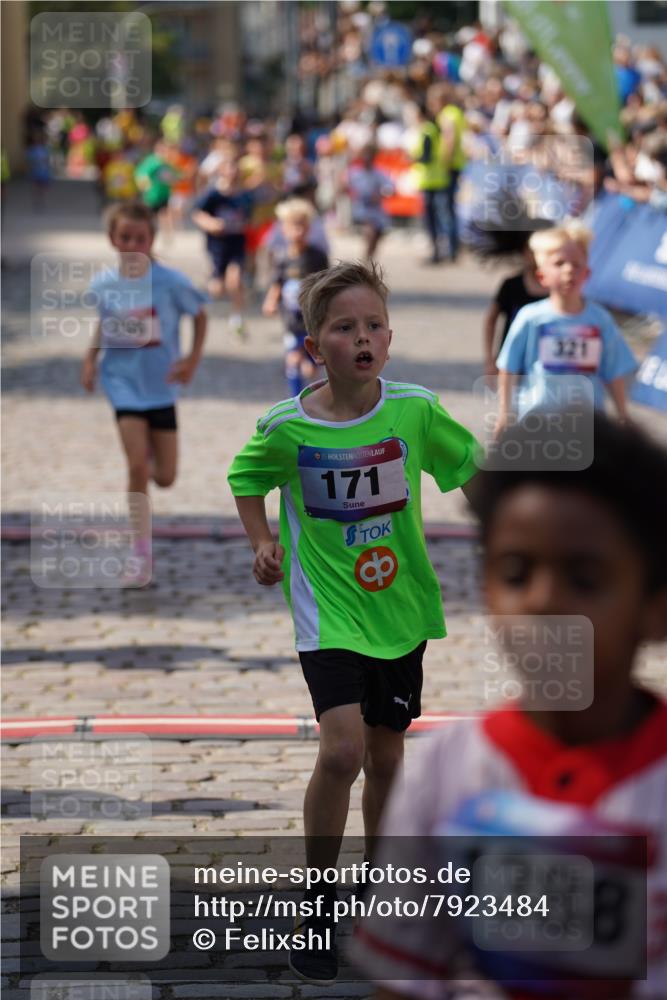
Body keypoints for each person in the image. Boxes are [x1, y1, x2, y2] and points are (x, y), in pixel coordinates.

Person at [351, 413, 667, 999]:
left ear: (656, 604)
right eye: (517, 573)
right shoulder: (446, 771)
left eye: (586, 577)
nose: (545, 601)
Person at [228, 260, 480, 985]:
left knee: (388, 757)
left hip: (398, 609)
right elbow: (246, 479)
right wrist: (262, 541)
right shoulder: (286, 426)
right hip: (326, 611)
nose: (361, 338)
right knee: (341, 753)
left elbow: (469, 468)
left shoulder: (413, 412)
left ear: (390, 341)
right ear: (316, 346)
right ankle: (317, 903)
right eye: (344, 327)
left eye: (372, 326)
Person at [80, 202, 207, 586]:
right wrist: (90, 359)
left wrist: (191, 360)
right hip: (122, 385)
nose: (133, 244)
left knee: (165, 477)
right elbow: (105, 324)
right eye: (125, 237)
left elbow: (199, 315)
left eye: (141, 237)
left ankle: (149, 465)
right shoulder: (103, 284)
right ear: (112, 239)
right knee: (136, 466)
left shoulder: (170, 281)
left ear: (152, 238)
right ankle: (140, 554)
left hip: (162, 386)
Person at [495, 221, 637, 430]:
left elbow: (613, 371)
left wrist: (623, 414)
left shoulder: (600, 320)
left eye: (576, 264)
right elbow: (508, 368)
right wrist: (504, 415)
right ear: (541, 275)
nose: (569, 270)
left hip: (589, 424)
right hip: (538, 421)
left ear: (587, 273)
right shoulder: (531, 318)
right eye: (559, 263)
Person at [262, 198, 329, 396]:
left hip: (312, 318)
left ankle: (315, 392)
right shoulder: (281, 256)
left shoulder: (317, 256)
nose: (297, 231)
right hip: (291, 318)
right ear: (284, 229)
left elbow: (326, 282)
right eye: (293, 225)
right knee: (292, 358)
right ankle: (296, 400)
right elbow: (277, 281)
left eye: (302, 225)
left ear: (309, 228)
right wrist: (271, 300)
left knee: (310, 365)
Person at [192, 157, 253, 339]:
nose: (232, 173)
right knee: (217, 289)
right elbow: (197, 213)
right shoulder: (213, 194)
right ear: (221, 171)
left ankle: (237, 317)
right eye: (229, 169)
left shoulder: (244, 196)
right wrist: (211, 224)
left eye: (235, 169)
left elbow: (248, 218)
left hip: (237, 244)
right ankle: (211, 287)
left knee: (234, 281)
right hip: (218, 246)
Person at [483, 236, 547, 385]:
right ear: (523, 253)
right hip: (513, 360)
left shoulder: (556, 289)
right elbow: (491, 319)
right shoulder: (511, 285)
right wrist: (489, 359)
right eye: (532, 251)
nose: (536, 257)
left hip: (544, 363)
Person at [411, 101, 449, 265]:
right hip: (437, 178)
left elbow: (425, 156)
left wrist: (413, 157)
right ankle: (443, 251)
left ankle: (437, 252)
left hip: (430, 179)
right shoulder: (433, 129)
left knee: (432, 219)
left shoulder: (426, 131)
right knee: (440, 217)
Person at [346, 144, 394, 261]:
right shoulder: (355, 173)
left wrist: (381, 194)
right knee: (370, 231)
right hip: (362, 209)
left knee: (377, 235)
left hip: (376, 210)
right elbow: (345, 187)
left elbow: (390, 188)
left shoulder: (379, 173)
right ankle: (366, 259)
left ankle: (369, 258)